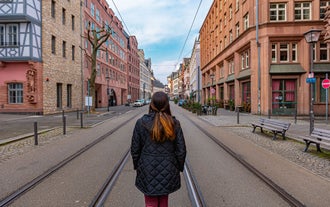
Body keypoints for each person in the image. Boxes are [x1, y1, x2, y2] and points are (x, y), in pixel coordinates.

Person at [131, 91, 186, 207]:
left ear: (151, 104)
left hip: (147, 168)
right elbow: (181, 151)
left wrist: (138, 166)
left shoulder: (141, 123)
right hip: (168, 168)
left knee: (150, 203)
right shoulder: (174, 123)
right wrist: (177, 168)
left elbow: (135, 149)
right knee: (164, 202)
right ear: (167, 105)